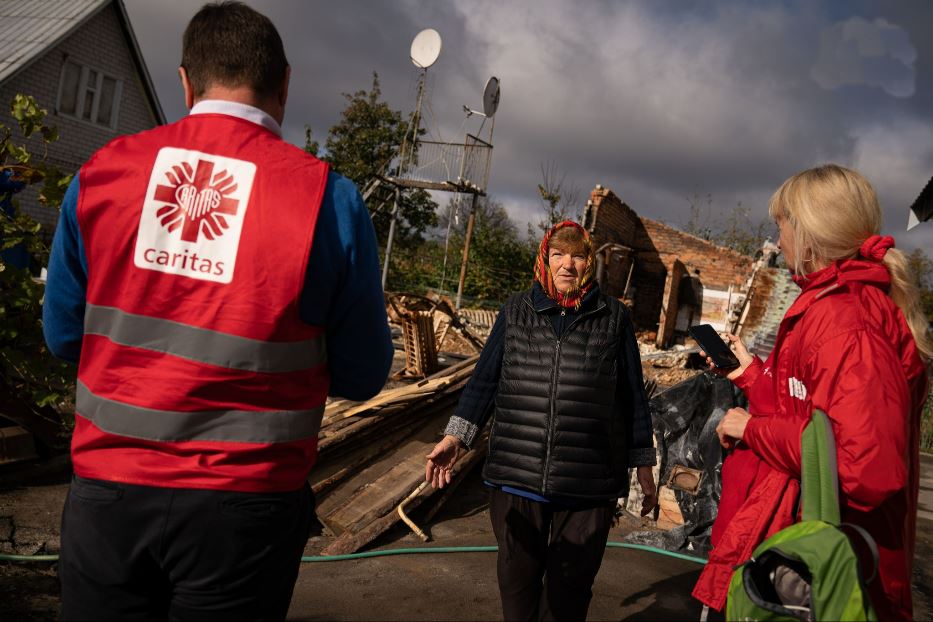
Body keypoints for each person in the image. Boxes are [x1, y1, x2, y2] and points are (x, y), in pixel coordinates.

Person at [42, 2, 393, 619]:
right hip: (245, 511)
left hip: (109, 494)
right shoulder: (328, 201)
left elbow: (65, 336)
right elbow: (364, 374)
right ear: (285, 82)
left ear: (184, 81)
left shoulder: (102, 174)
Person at [692, 164, 931, 620]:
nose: (778, 241)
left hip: (816, 576)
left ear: (808, 233)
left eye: (781, 227)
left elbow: (866, 467)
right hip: (793, 554)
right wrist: (750, 377)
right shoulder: (827, 307)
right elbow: (806, 411)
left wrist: (753, 429)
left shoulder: (847, 322)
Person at [425, 220, 658, 621]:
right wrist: (454, 437)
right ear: (545, 260)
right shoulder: (516, 311)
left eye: (578, 255)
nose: (567, 264)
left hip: (587, 483)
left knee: (569, 595)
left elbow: (633, 397)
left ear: (590, 263)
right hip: (518, 476)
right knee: (517, 585)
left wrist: (645, 468)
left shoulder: (613, 318)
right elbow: (485, 380)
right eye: (558, 255)